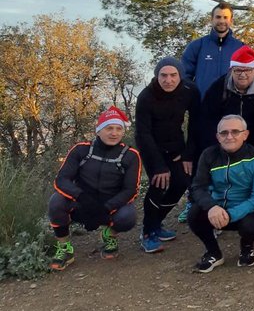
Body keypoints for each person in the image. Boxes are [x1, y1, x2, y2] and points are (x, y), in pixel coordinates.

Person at [48, 107, 141, 270]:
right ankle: (65, 248)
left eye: (119, 129)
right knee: (56, 201)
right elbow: (61, 180)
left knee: (128, 216)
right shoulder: (81, 150)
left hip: (110, 206)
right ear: (98, 130)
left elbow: (130, 190)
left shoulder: (131, 155)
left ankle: (109, 235)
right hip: (81, 201)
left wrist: (106, 208)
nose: (114, 133)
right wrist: (82, 198)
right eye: (109, 128)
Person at [135, 57, 202, 253]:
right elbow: (142, 133)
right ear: (157, 76)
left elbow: (196, 124)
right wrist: (158, 166)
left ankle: (156, 223)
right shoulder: (146, 97)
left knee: (181, 183)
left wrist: (188, 154)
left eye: (173, 75)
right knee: (159, 185)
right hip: (152, 147)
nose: (168, 80)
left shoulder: (190, 90)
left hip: (176, 145)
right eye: (163, 75)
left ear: (180, 76)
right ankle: (147, 232)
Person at [188, 114, 254, 273]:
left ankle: (247, 247)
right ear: (218, 137)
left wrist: (230, 214)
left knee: (251, 226)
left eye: (235, 132)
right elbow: (198, 187)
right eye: (224, 133)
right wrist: (212, 207)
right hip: (218, 208)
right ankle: (213, 252)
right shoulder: (208, 155)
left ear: (245, 134)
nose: (229, 136)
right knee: (194, 214)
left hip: (246, 210)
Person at [199, 45, 254, 155]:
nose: (243, 75)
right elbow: (207, 119)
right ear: (231, 70)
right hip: (225, 142)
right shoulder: (219, 86)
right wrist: (216, 148)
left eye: (247, 70)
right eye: (238, 70)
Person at [181, 2, 246, 95]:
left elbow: (248, 76)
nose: (222, 21)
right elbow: (184, 76)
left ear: (231, 20)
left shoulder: (241, 48)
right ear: (211, 19)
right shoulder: (197, 46)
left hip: (231, 102)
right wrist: (193, 97)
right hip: (202, 102)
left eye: (225, 17)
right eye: (218, 17)